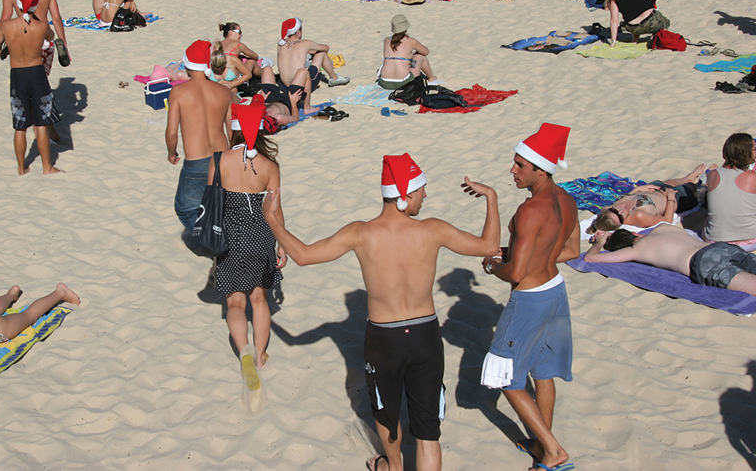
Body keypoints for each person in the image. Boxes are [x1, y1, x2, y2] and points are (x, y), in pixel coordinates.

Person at [263, 153, 501, 471]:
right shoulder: (433, 230)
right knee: (428, 432)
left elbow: (303, 256)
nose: (425, 196)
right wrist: (492, 197)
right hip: (425, 334)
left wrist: (273, 221)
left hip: (384, 338)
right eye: (421, 191)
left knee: (386, 414)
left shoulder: (360, 233)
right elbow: (489, 246)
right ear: (405, 194)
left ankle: (393, 467)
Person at [480, 123, 580, 471]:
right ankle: (540, 446)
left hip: (530, 299)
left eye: (520, 165)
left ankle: (552, 450)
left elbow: (517, 273)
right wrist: (533, 254)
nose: (513, 170)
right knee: (543, 371)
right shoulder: (567, 200)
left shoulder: (529, 210)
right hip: (556, 291)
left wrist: (494, 265)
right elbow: (571, 249)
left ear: (540, 167)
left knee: (504, 377)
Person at [209, 99, 285, 404]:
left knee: (235, 302)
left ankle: (243, 351)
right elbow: (277, 210)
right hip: (261, 236)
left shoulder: (219, 161)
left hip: (230, 237)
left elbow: (211, 201)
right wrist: (283, 244)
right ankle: (261, 353)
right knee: (259, 298)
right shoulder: (270, 167)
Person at [0, 0, 61, 175]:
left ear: (18, 4)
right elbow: (51, 38)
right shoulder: (42, 26)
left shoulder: (6, 26)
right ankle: (47, 166)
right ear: (35, 5)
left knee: (20, 125)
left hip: (17, 75)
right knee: (42, 124)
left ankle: (21, 167)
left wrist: (6, 48)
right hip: (36, 73)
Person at [165, 40, 234, 233]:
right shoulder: (223, 91)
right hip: (223, 157)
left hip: (196, 161)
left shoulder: (178, 92)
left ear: (187, 65)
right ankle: (222, 238)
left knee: (187, 208)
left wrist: (172, 153)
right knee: (223, 205)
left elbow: (171, 132)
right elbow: (232, 131)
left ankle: (210, 241)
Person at [586, 224, 756, 296]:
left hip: (703, 263)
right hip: (719, 248)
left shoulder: (636, 250)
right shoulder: (663, 227)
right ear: (635, 233)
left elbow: (591, 258)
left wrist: (600, 243)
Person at [0, 0, 69, 78]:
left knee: (23, 78)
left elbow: (4, 22)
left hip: (22, 39)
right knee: (41, 78)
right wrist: (63, 43)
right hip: (43, 38)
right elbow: (56, 19)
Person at [588, 164, 710, 233]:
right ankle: (696, 182)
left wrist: (639, 189)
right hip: (674, 199)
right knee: (690, 188)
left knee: (670, 181)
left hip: (655, 190)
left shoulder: (611, 207)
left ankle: (688, 177)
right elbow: (666, 220)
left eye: (614, 211)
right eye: (619, 216)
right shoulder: (638, 216)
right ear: (620, 223)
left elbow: (628, 196)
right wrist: (671, 197)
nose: (619, 211)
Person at [277, 18, 349, 116]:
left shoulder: (280, 44)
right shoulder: (305, 43)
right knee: (322, 53)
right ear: (298, 31)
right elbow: (326, 48)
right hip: (300, 87)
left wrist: (307, 50)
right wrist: (310, 50)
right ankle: (334, 78)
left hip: (284, 87)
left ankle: (334, 78)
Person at [704, 133, 756, 246]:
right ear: (745, 153)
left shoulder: (712, 175)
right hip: (748, 240)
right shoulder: (752, 177)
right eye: (755, 149)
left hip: (713, 239)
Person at [605, 0, 670, 45]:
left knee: (634, 15)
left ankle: (634, 41)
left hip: (633, 28)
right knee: (665, 22)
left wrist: (613, 41)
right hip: (651, 22)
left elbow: (614, 20)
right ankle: (657, 36)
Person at [377, 15, 440, 90]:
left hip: (385, 82)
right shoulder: (411, 41)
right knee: (420, 56)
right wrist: (413, 53)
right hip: (403, 82)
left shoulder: (386, 40)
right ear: (406, 28)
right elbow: (426, 52)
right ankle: (431, 78)